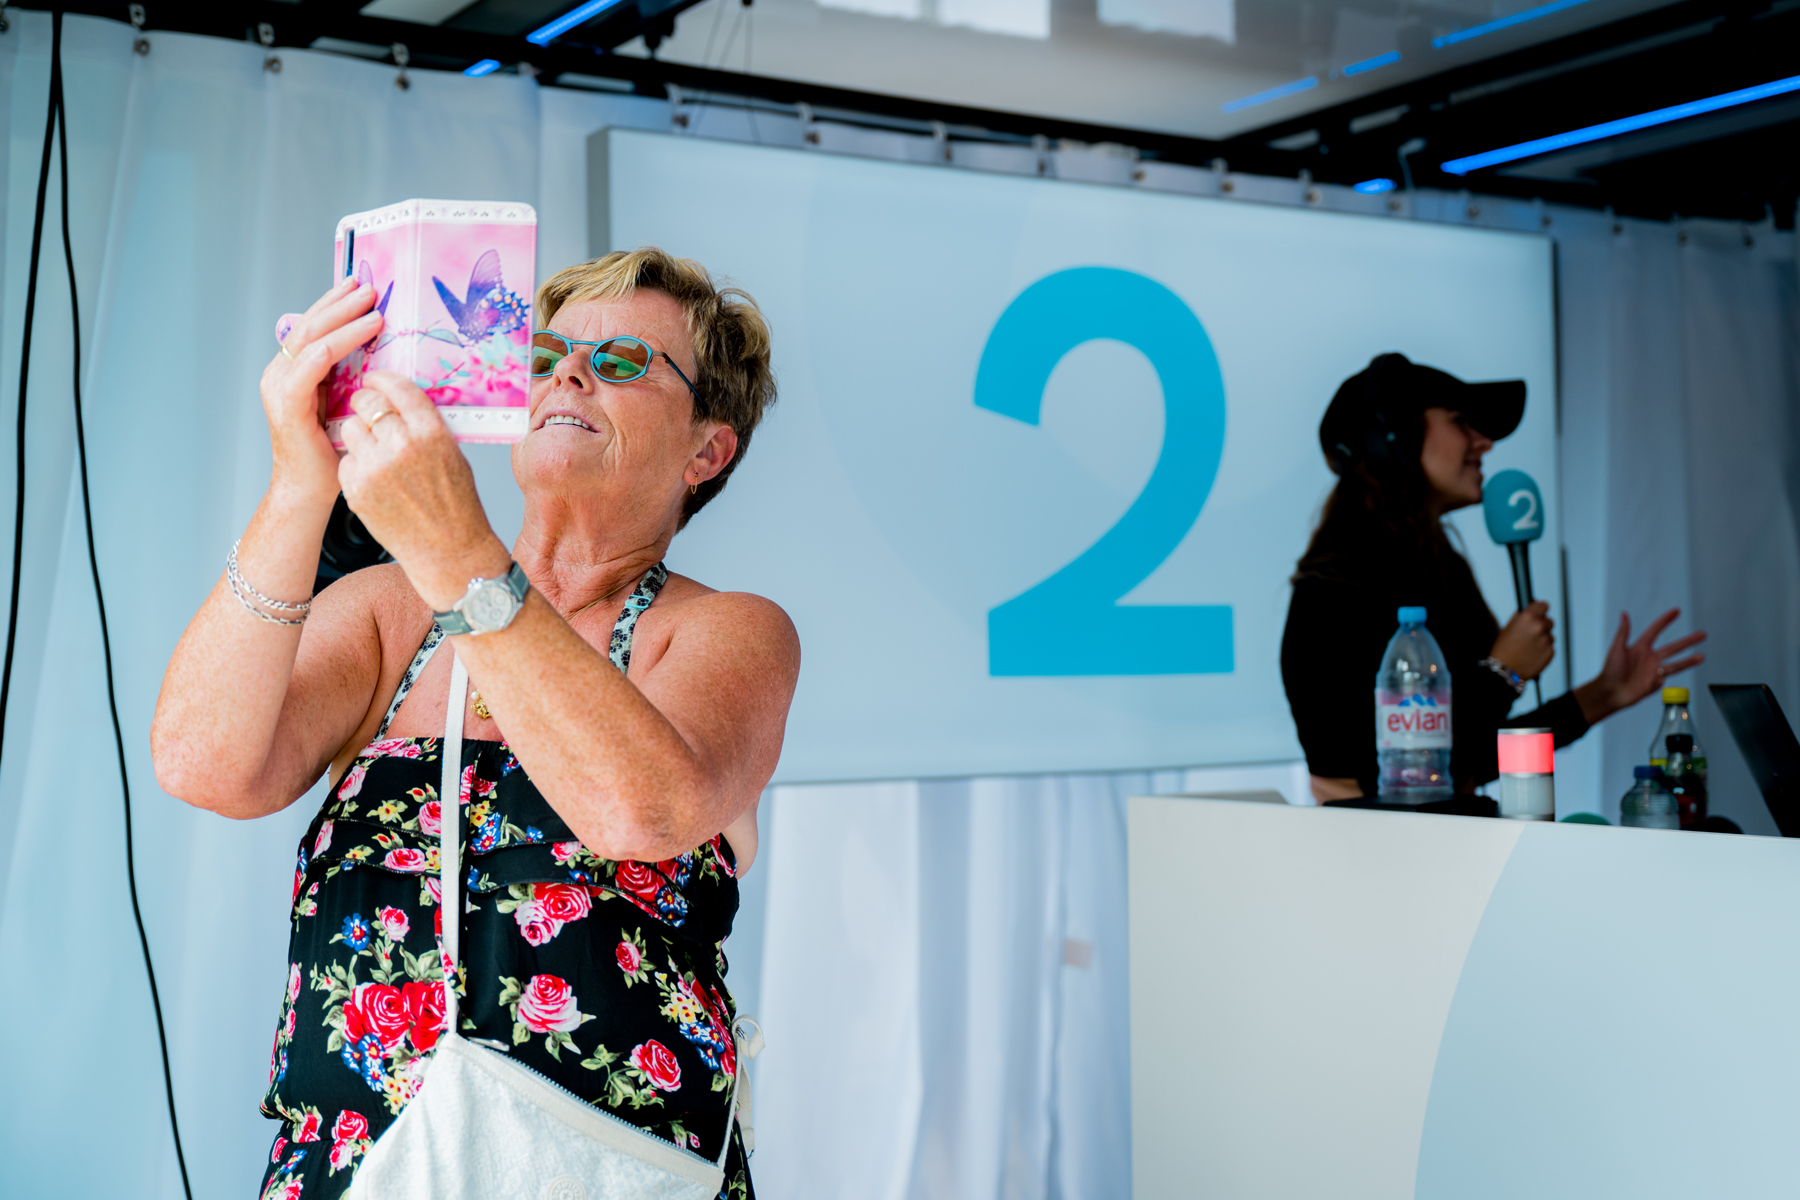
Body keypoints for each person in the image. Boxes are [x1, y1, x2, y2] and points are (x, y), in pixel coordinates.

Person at [151, 248, 799, 1198]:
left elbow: (639, 810)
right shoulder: (390, 610)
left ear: (707, 450)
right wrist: (302, 479)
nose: (566, 375)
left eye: (622, 361)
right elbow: (203, 763)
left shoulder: (725, 630)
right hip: (358, 1168)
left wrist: (455, 545)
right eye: (544, 356)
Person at [1280, 353, 1704, 803]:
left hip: (1446, 831)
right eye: (1460, 422)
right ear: (1394, 436)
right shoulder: (1336, 588)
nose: (1485, 443)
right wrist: (1503, 673)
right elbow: (1396, 774)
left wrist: (1604, 694)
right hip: (1377, 841)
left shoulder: (1437, 566)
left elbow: (1469, 758)